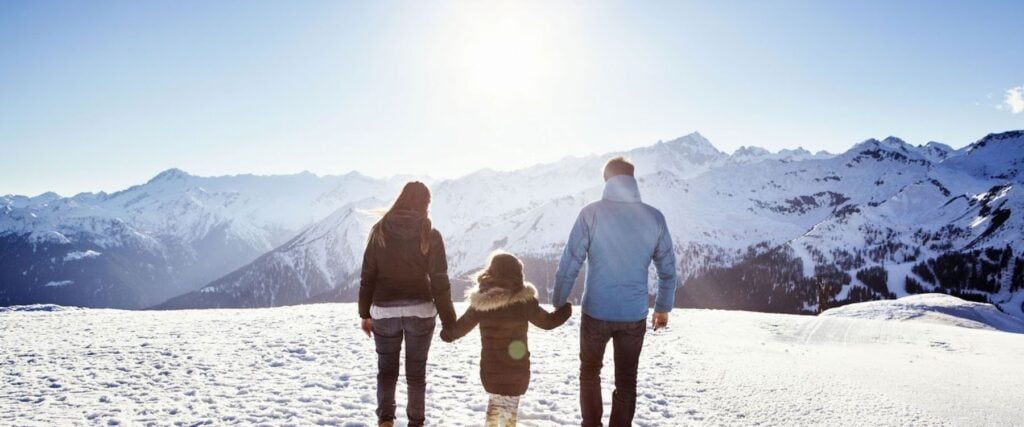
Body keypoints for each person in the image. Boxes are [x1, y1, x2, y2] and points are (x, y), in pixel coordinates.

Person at [552, 157, 679, 427]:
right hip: (633, 315)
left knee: (589, 372)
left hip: (596, 311)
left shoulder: (590, 213)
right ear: (633, 179)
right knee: (626, 380)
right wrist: (663, 308)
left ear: (606, 180)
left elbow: (570, 261)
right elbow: (668, 269)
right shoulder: (654, 217)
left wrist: (558, 299)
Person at [358, 181, 457, 427]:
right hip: (420, 311)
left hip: (384, 311)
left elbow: (367, 277)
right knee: (416, 373)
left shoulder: (379, 230)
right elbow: (440, 282)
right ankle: (415, 423)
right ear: (425, 204)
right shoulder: (431, 234)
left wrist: (365, 314)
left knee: (387, 371)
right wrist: (449, 320)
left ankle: (385, 421)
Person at [441, 251, 572, 427]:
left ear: (492, 273)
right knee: (510, 410)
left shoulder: (480, 304)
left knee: (494, 407)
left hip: (491, 368)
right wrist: (565, 311)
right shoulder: (524, 302)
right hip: (517, 369)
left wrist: (446, 334)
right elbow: (548, 322)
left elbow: (459, 328)